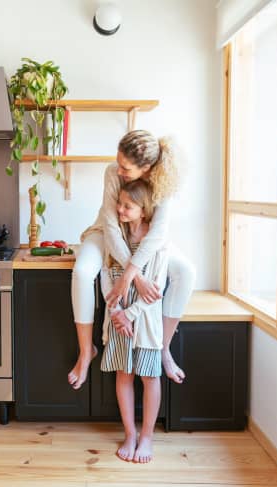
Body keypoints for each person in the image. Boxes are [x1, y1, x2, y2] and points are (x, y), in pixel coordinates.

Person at [68, 129, 195, 390]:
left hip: (146, 240)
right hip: (106, 232)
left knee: (186, 272)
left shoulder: (164, 182)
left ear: (145, 167)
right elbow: (111, 227)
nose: (119, 171)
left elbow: (158, 233)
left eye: (125, 168)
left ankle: (163, 349)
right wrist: (135, 276)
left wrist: (129, 275)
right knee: (81, 272)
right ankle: (85, 351)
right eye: (119, 163)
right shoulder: (112, 173)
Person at [100, 179, 167, 463]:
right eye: (120, 203)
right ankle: (130, 433)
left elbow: (155, 289)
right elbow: (105, 275)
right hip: (118, 322)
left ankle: (147, 436)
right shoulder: (116, 237)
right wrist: (116, 314)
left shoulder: (156, 242)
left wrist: (129, 314)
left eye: (128, 206)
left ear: (144, 209)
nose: (120, 209)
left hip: (145, 322)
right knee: (123, 375)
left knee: (149, 377)